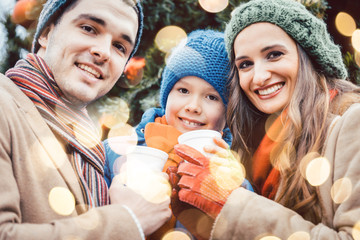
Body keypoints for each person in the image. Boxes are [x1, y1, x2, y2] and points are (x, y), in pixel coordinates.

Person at [170, 0, 360, 239]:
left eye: (274, 55)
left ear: (309, 54)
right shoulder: (251, 143)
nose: (258, 77)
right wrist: (199, 210)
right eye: (246, 64)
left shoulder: (351, 122)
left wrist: (233, 204)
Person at [0, 0, 172, 239]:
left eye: (120, 47)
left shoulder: (92, 149)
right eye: (89, 28)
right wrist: (128, 219)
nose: (103, 52)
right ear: (46, 34)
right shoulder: (4, 104)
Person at [104, 29, 250, 239]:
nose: (193, 106)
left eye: (211, 97)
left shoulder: (231, 172)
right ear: (167, 94)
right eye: (183, 90)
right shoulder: (116, 151)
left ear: (228, 111)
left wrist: (237, 190)